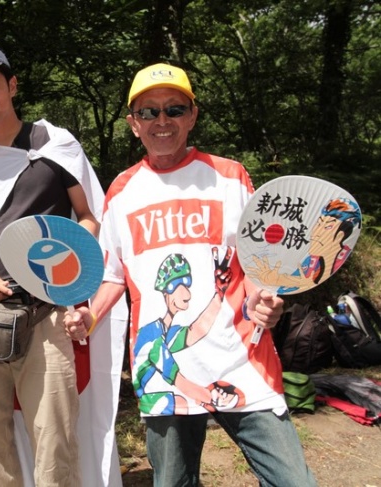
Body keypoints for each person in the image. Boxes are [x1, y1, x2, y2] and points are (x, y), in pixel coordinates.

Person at [64, 63, 317, 486]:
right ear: (133, 124)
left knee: (293, 481)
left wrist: (261, 299)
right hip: (163, 373)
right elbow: (113, 276)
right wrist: (89, 317)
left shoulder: (229, 175)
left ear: (192, 116)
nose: (162, 121)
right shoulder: (122, 192)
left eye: (174, 109)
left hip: (241, 360)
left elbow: (256, 260)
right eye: (148, 112)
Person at [0, 42, 127, 486]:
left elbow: (89, 215)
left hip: (45, 314)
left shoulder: (52, 144)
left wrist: (66, 272)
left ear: (12, 85)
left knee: (54, 439)